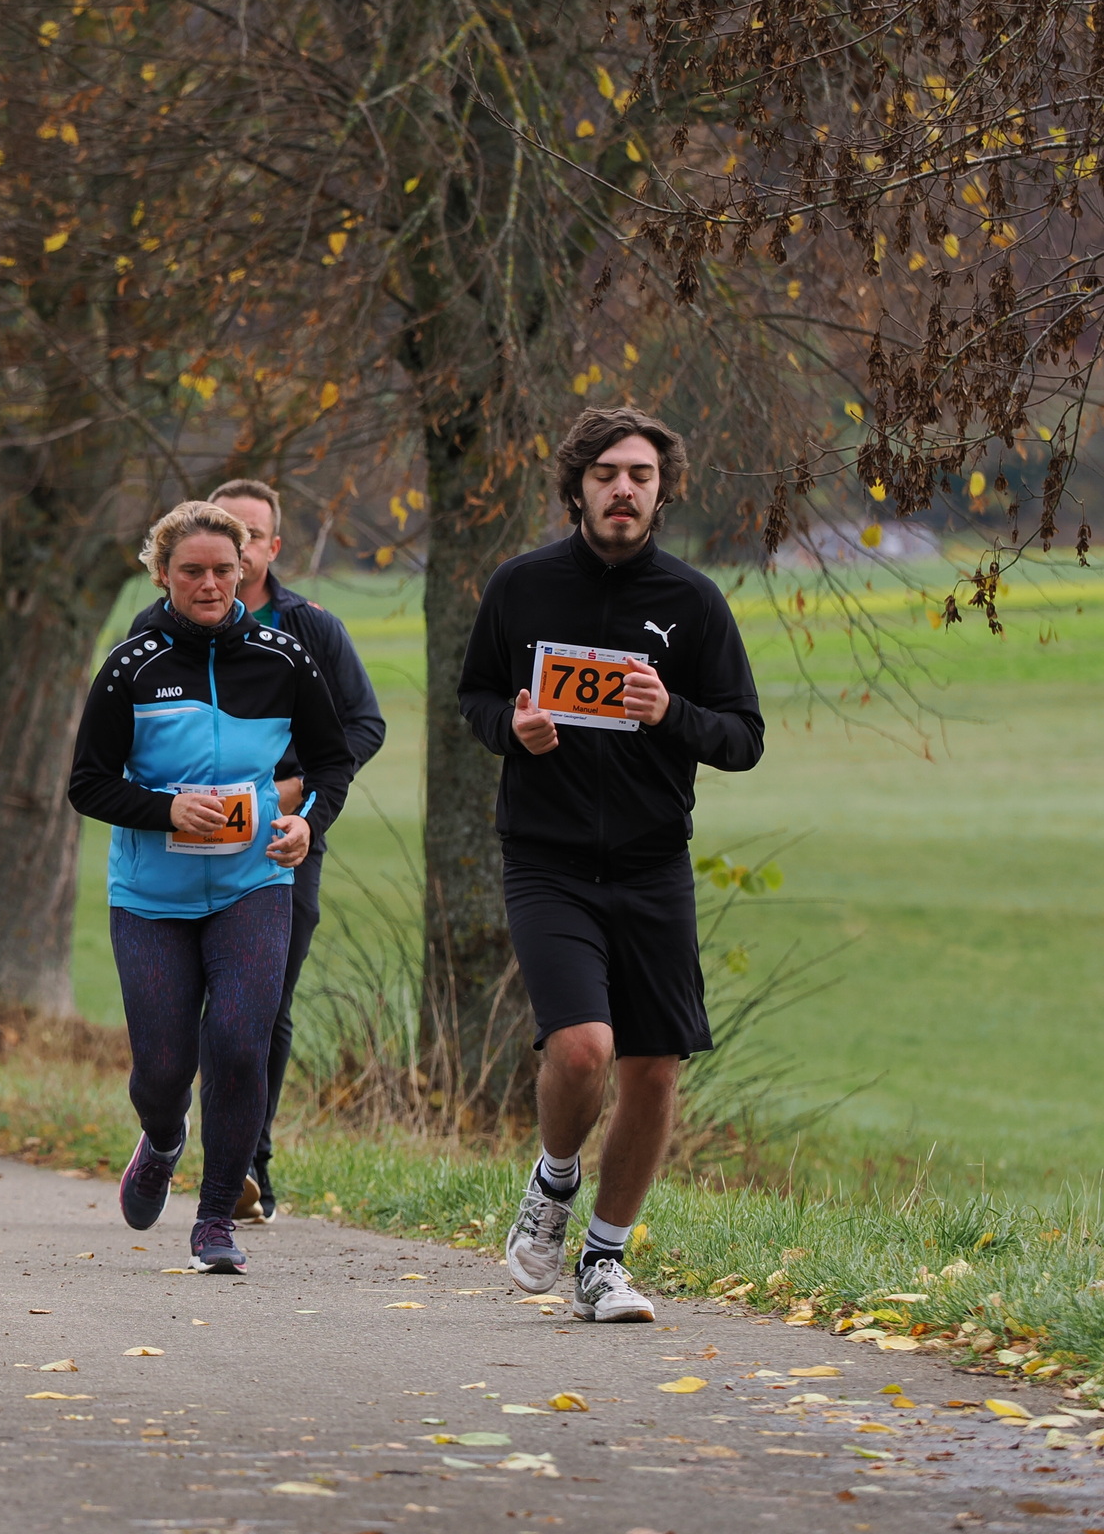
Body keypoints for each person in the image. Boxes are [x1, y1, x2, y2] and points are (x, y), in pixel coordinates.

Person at [459, 407, 764, 1324]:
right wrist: (511, 727)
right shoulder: (521, 586)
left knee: (655, 1070)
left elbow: (744, 738)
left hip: (652, 864)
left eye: (639, 474)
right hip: (546, 860)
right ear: (577, 488)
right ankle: (554, 1182)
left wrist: (670, 712)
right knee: (583, 1046)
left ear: (662, 491)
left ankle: (605, 1260)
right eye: (605, 474)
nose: (622, 489)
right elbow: (474, 696)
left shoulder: (693, 603)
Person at [69, 500, 356, 1275]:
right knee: (164, 1068)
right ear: (162, 574)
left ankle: (216, 1218)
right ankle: (164, 1139)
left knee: (238, 1043)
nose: (209, 584)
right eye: (191, 571)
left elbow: (332, 761)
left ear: (246, 569)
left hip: (252, 882)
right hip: (151, 897)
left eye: (223, 570)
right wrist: (166, 809)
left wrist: (308, 824)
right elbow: (87, 784)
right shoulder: (132, 665)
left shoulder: (284, 657)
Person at [132, 478, 386, 1226]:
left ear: (266, 548)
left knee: (256, 1012)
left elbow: (360, 728)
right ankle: (172, 1130)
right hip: (177, 852)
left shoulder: (310, 629)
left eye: (242, 544)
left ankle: (247, 1167)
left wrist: (294, 793)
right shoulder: (152, 630)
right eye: (205, 556)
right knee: (180, 1025)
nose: (222, 569)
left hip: (279, 842)